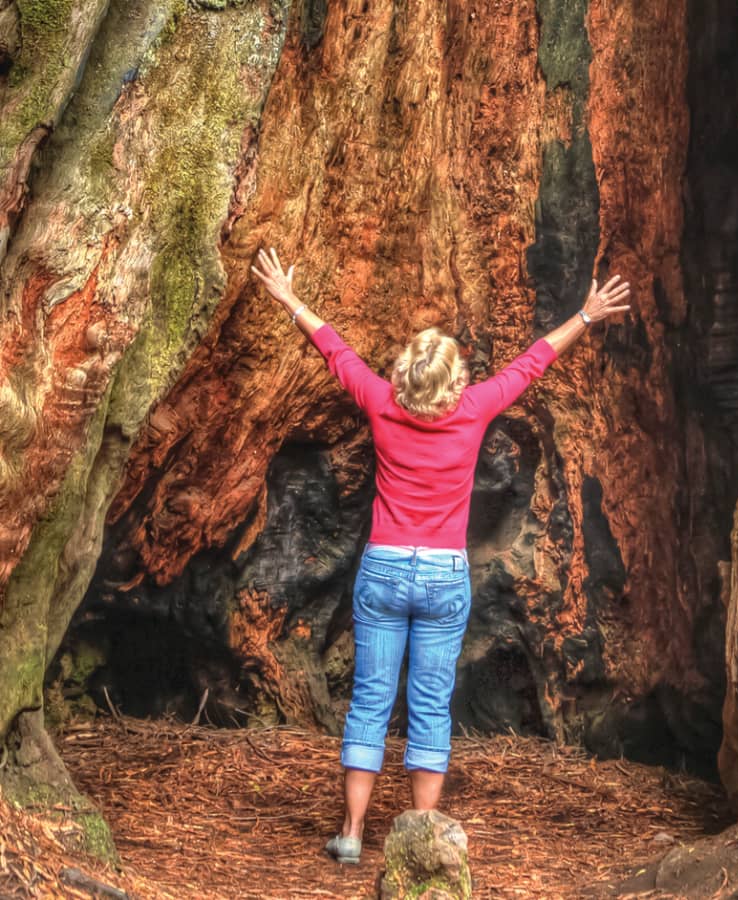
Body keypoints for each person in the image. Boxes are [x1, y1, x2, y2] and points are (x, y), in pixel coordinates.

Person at [250, 247, 632, 864]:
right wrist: (586, 315)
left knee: (371, 699)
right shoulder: (474, 410)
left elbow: (335, 351)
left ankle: (351, 834)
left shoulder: (380, 402)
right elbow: (533, 362)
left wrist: (289, 297)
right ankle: (419, 838)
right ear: (455, 383)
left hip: (383, 569)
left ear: (403, 376)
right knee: (429, 703)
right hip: (442, 576)